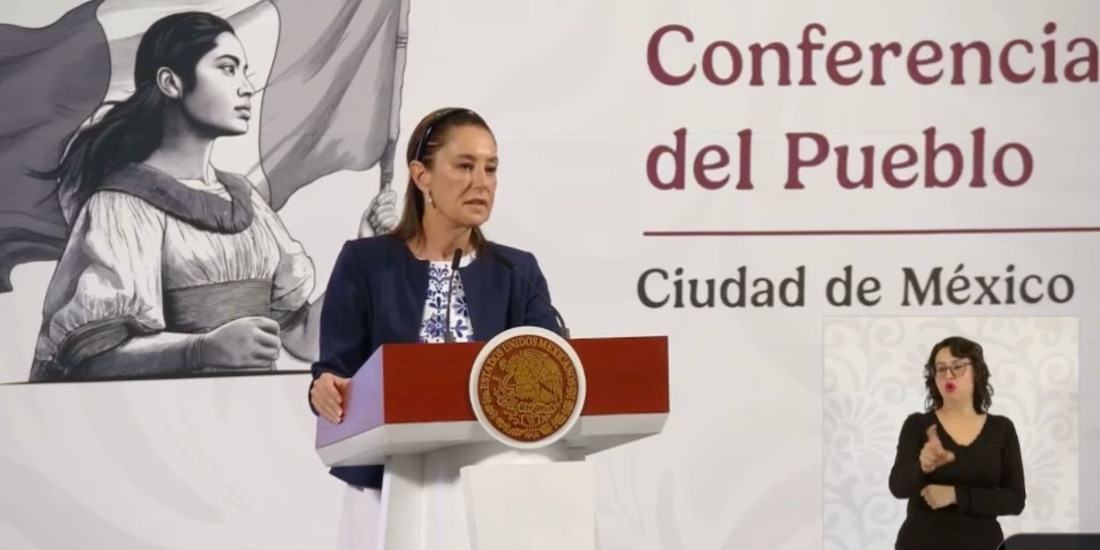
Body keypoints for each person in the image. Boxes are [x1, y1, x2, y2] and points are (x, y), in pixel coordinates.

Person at [26, 12, 393, 381]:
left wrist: (365, 252)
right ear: (171, 82)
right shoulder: (123, 205)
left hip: (253, 418)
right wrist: (201, 350)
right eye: (228, 68)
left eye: (244, 70)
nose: (247, 87)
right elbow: (91, 359)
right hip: (167, 425)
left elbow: (304, 339)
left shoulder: (246, 201)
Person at [308, 107, 563, 549]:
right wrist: (323, 389)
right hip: (386, 486)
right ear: (421, 176)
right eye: (464, 166)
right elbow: (335, 371)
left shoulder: (516, 271)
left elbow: (554, 370)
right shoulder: (365, 264)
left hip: (494, 488)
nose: (482, 181)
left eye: (491, 168)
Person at [888, 336, 1026, 550]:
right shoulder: (917, 424)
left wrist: (956, 495)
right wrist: (922, 467)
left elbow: (1015, 500)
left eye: (958, 366)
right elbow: (897, 487)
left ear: (976, 372)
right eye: (940, 369)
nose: (948, 375)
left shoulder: (1002, 428)